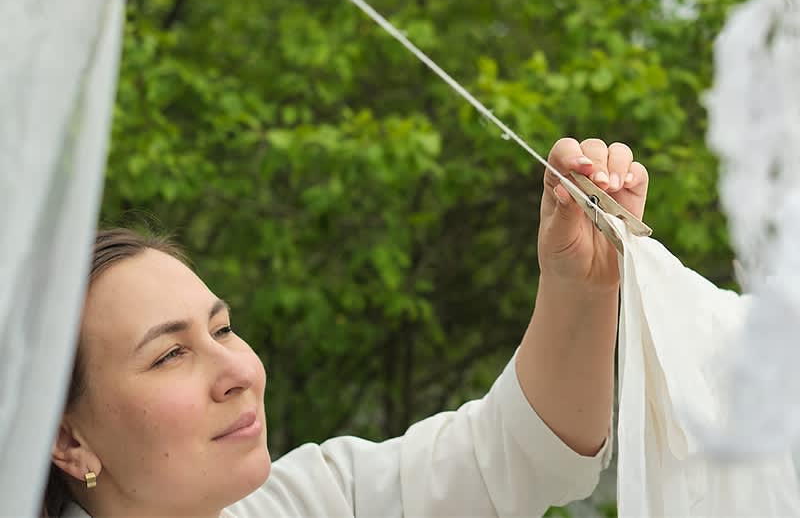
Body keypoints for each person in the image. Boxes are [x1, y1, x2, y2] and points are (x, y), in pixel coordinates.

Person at [43, 137, 648, 518]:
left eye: (222, 330)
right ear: (69, 441)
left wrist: (581, 286)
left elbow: (518, 455)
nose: (239, 374)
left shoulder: (309, 501)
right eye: (170, 354)